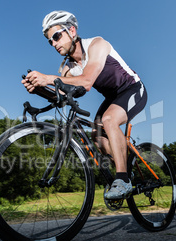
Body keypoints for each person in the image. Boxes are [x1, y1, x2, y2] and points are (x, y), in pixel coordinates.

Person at [21, 10, 147, 200]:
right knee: (97, 136)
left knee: (108, 119)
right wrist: (37, 88)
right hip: (112, 98)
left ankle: (123, 179)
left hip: (132, 89)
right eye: (50, 41)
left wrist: (47, 78)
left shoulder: (97, 45)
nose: (54, 44)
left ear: (71, 30)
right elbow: (60, 96)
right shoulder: (68, 68)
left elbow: (87, 81)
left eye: (56, 36)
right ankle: (126, 166)